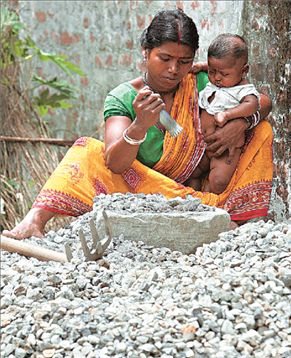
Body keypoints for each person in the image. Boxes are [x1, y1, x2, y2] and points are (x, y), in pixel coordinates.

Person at [2, 8, 273, 240]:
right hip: (147, 196)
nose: (173, 70)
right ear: (145, 52)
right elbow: (116, 164)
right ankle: (33, 222)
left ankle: (238, 218)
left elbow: (261, 101)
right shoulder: (124, 97)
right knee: (87, 151)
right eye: (164, 59)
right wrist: (139, 127)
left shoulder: (202, 82)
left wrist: (242, 121)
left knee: (261, 129)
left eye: (184, 62)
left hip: (207, 191)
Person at [186, 33, 261, 194]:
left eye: (224, 74)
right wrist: (201, 67)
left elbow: (253, 104)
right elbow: (216, 68)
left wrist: (228, 114)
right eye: (212, 71)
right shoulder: (217, 77)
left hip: (226, 149)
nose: (217, 78)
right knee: (191, 174)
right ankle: (194, 200)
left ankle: (211, 201)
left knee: (219, 181)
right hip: (202, 144)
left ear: (244, 70)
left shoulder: (242, 89)